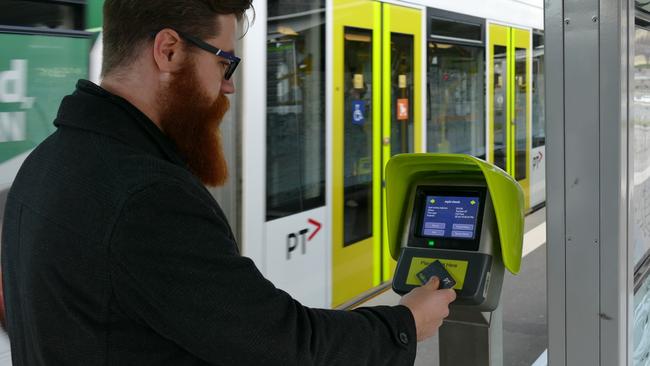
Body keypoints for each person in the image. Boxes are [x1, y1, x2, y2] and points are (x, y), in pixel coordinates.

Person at [0, 1, 456, 365]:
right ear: (169, 50)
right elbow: (282, 346)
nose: (229, 86)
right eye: (225, 63)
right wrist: (405, 323)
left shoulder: (46, 162)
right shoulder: (147, 196)